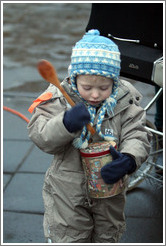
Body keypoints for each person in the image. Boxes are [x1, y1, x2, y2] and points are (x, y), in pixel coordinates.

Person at [27, 29, 152, 243]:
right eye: (87, 87)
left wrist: (129, 159)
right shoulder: (59, 98)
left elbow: (137, 134)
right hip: (67, 192)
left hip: (110, 193)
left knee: (107, 235)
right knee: (70, 236)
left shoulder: (125, 100)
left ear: (115, 81)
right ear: (75, 78)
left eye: (104, 87)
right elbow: (41, 136)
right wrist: (65, 123)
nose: (95, 95)